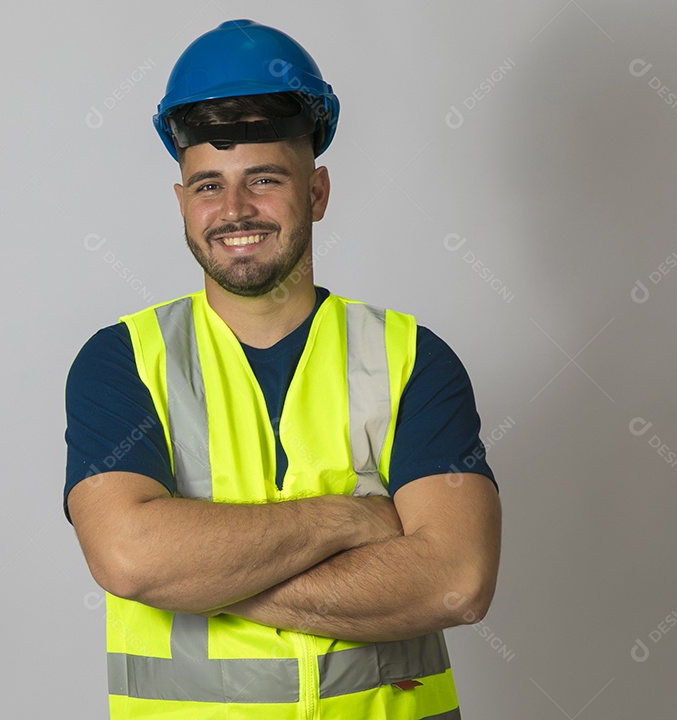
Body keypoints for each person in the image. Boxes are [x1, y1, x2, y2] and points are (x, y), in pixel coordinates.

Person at [65, 19, 502, 720]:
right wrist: (356, 520)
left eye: (264, 179)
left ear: (317, 192)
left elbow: (455, 583)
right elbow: (130, 559)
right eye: (208, 185)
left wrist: (203, 578)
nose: (235, 210)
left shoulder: (411, 358)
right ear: (182, 205)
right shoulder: (124, 362)